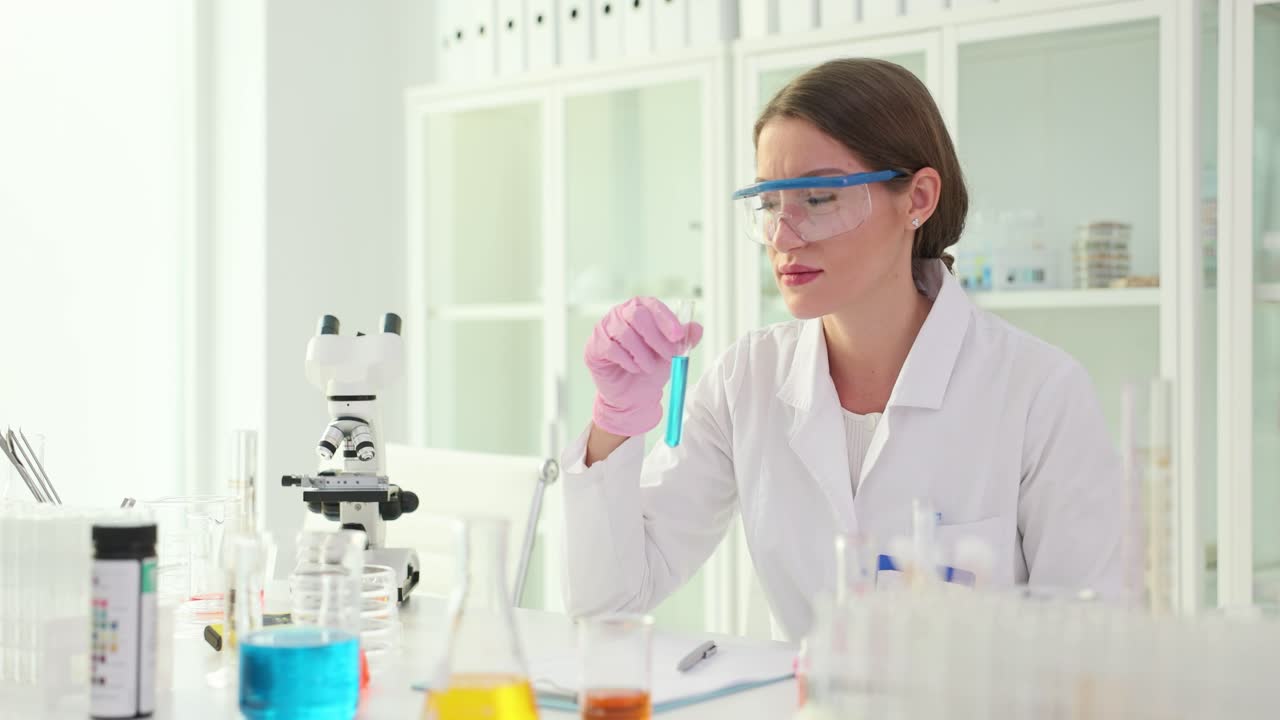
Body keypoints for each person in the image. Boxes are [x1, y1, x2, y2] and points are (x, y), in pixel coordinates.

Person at [560, 58, 1127, 640]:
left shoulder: (1038, 392)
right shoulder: (745, 381)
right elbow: (609, 602)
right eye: (770, 203)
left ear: (918, 198)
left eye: (820, 198)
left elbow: (1088, 648)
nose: (782, 236)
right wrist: (616, 422)